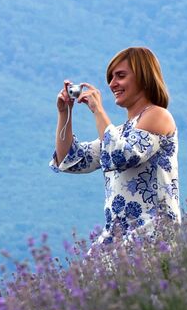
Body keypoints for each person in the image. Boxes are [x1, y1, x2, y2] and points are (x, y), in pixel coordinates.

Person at [51, 46, 179, 250]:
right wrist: (64, 113)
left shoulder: (158, 115)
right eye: (111, 78)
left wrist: (98, 110)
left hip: (152, 235)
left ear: (143, 77)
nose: (112, 84)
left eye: (120, 76)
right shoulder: (119, 133)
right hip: (117, 239)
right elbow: (69, 160)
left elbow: (120, 156)